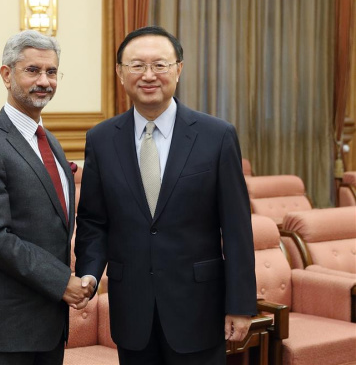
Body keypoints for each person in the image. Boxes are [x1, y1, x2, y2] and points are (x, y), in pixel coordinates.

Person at [74, 26, 257, 365]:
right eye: (136, 66)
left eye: (159, 65)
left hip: (198, 308)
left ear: (179, 69)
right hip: (132, 311)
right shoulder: (100, 139)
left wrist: (241, 305)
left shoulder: (217, 136)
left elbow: (236, 229)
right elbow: (94, 221)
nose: (148, 75)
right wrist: (87, 272)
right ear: (119, 72)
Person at [0, 29, 93, 365]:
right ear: (7, 75)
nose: (44, 81)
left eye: (51, 72)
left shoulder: (52, 143)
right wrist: (62, 281)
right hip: (6, 326)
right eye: (32, 70)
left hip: (48, 321)